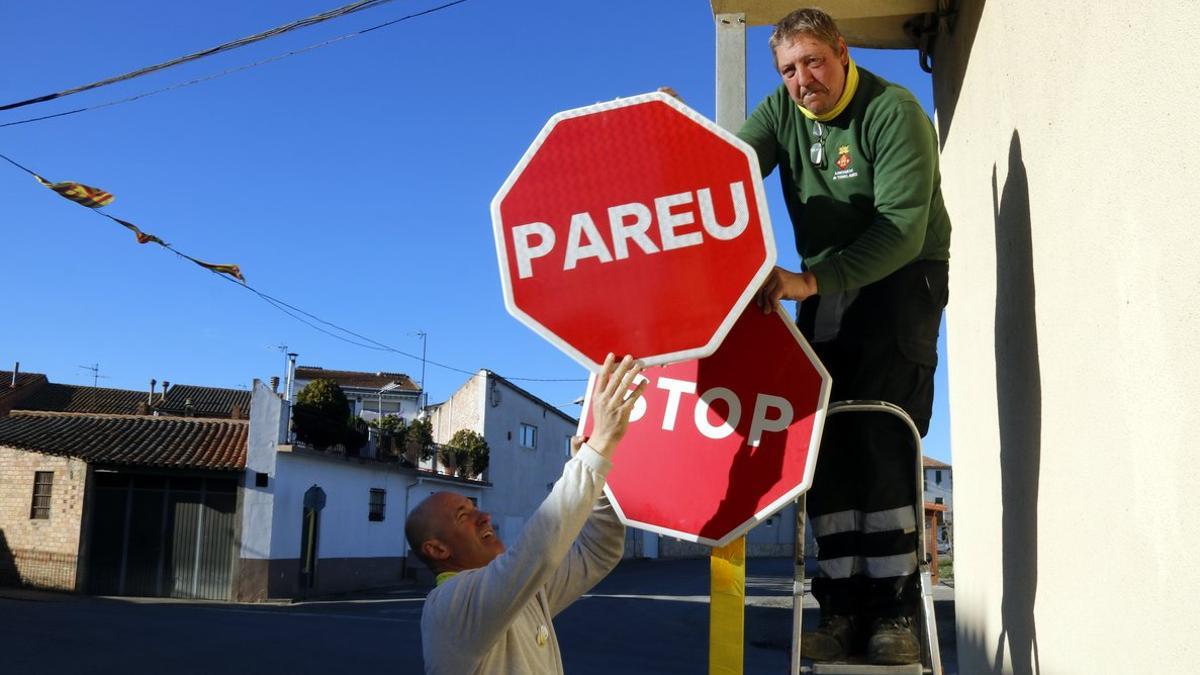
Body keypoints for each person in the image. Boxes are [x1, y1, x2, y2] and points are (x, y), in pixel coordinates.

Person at [737, 7, 952, 666]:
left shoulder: (894, 112)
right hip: (823, 283)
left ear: (843, 53)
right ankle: (837, 608)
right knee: (822, 437)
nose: (803, 80)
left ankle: (893, 610)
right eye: (789, 68)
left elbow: (901, 231)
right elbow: (729, 164)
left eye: (814, 62)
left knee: (882, 431)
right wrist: (676, 137)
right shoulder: (782, 112)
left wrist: (808, 280)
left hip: (900, 274)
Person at [406, 353, 647, 674]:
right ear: (437, 550)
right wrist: (598, 447)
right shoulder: (449, 607)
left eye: (475, 507)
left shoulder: (522, 592)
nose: (484, 517)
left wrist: (599, 482)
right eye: (463, 516)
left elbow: (597, 551)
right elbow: (539, 550)